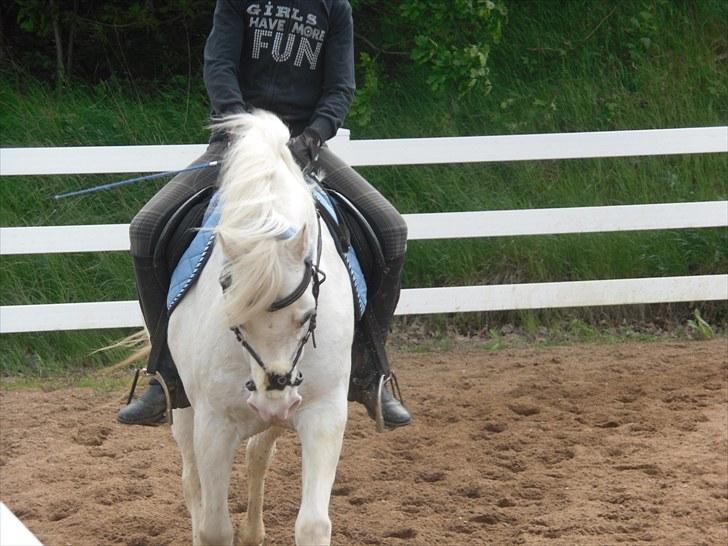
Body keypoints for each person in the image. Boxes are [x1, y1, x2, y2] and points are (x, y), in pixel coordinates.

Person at [117, 0, 411, 430]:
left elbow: (339, 88)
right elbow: (219, 67)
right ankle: (165, 374)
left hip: (305, 148)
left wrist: (311, 137)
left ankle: (371, 372)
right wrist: (246, 134)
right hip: (239, 146)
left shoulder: (335, 8)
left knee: (391, 231)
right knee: (145, 230)